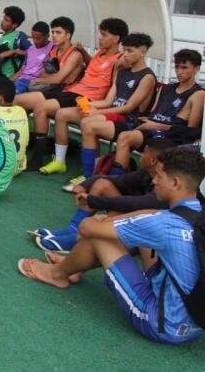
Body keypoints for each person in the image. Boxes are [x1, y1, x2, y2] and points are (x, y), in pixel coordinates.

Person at [17, 146, 205, 345]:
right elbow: (149, 216)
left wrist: (100, 220)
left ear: (175, 182)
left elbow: (86, 228)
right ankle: (73, 267)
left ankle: (57, 274)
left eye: (159, 176)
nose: (153, 181)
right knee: (135, 228)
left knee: (101, 236)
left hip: (163, 324)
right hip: (194, 321)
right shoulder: (198, 213)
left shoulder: (162, 223)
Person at [17, 18, 128, 171]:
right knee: (23, 102)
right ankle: (34, 151)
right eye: (100, 34)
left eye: (104, 35)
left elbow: (124, 69)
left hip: (86, 98)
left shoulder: (120, 59)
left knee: (41, 108)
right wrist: (84, 52)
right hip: (72, 91)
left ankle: (38, 158)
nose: (99, 38)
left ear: (116, 39)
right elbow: (93, 65)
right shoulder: (100, 53)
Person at [30, 137, 176, 253]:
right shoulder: (146, 174)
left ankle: (80, 240)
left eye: (144, 152)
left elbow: (135, 204)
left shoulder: (167, 187)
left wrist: (95, 201)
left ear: (152, 160)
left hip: (149, 238)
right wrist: (84, 185)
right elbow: (114, 180)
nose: (140, 155)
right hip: (139, 222)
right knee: (101, 184)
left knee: (119, 213)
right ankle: (73, 230)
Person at [53, 33, 157, 185]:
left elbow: (129, 107)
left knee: (88, 124)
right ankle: (91, 172)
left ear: (143, 52)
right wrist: (89, 105)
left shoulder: (147, 77)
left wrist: (97, 111)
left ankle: (90, 177)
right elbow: (109, 100)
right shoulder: (122, 71)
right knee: (83, 119)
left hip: (129, 121)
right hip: (114, 113)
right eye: (125, 50)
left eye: (130, 51)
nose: (125, 55)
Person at [111, 49, 204, 175]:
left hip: (169, 135)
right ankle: (114, 175)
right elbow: (153, 114)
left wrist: (156, 125)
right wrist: (147, 121)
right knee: (95, 124)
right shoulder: (165, 88)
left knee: (125, 137)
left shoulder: (198, 94)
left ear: (196, 69)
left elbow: (189, 132)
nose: (179, 72)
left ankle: (117, 179)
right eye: (176, 67)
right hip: (149, 127)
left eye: (184, 67)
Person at [0, 21, 52, 97]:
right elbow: (23, 68)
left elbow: (51, 71)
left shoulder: (52, 49)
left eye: (38, 38)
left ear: (47, 36)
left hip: (32, 82)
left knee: (3, 95)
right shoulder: (31, 49)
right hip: (20, 79)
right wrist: (10, 79)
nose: (35, 41)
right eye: (33, 38)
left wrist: (14, 52)